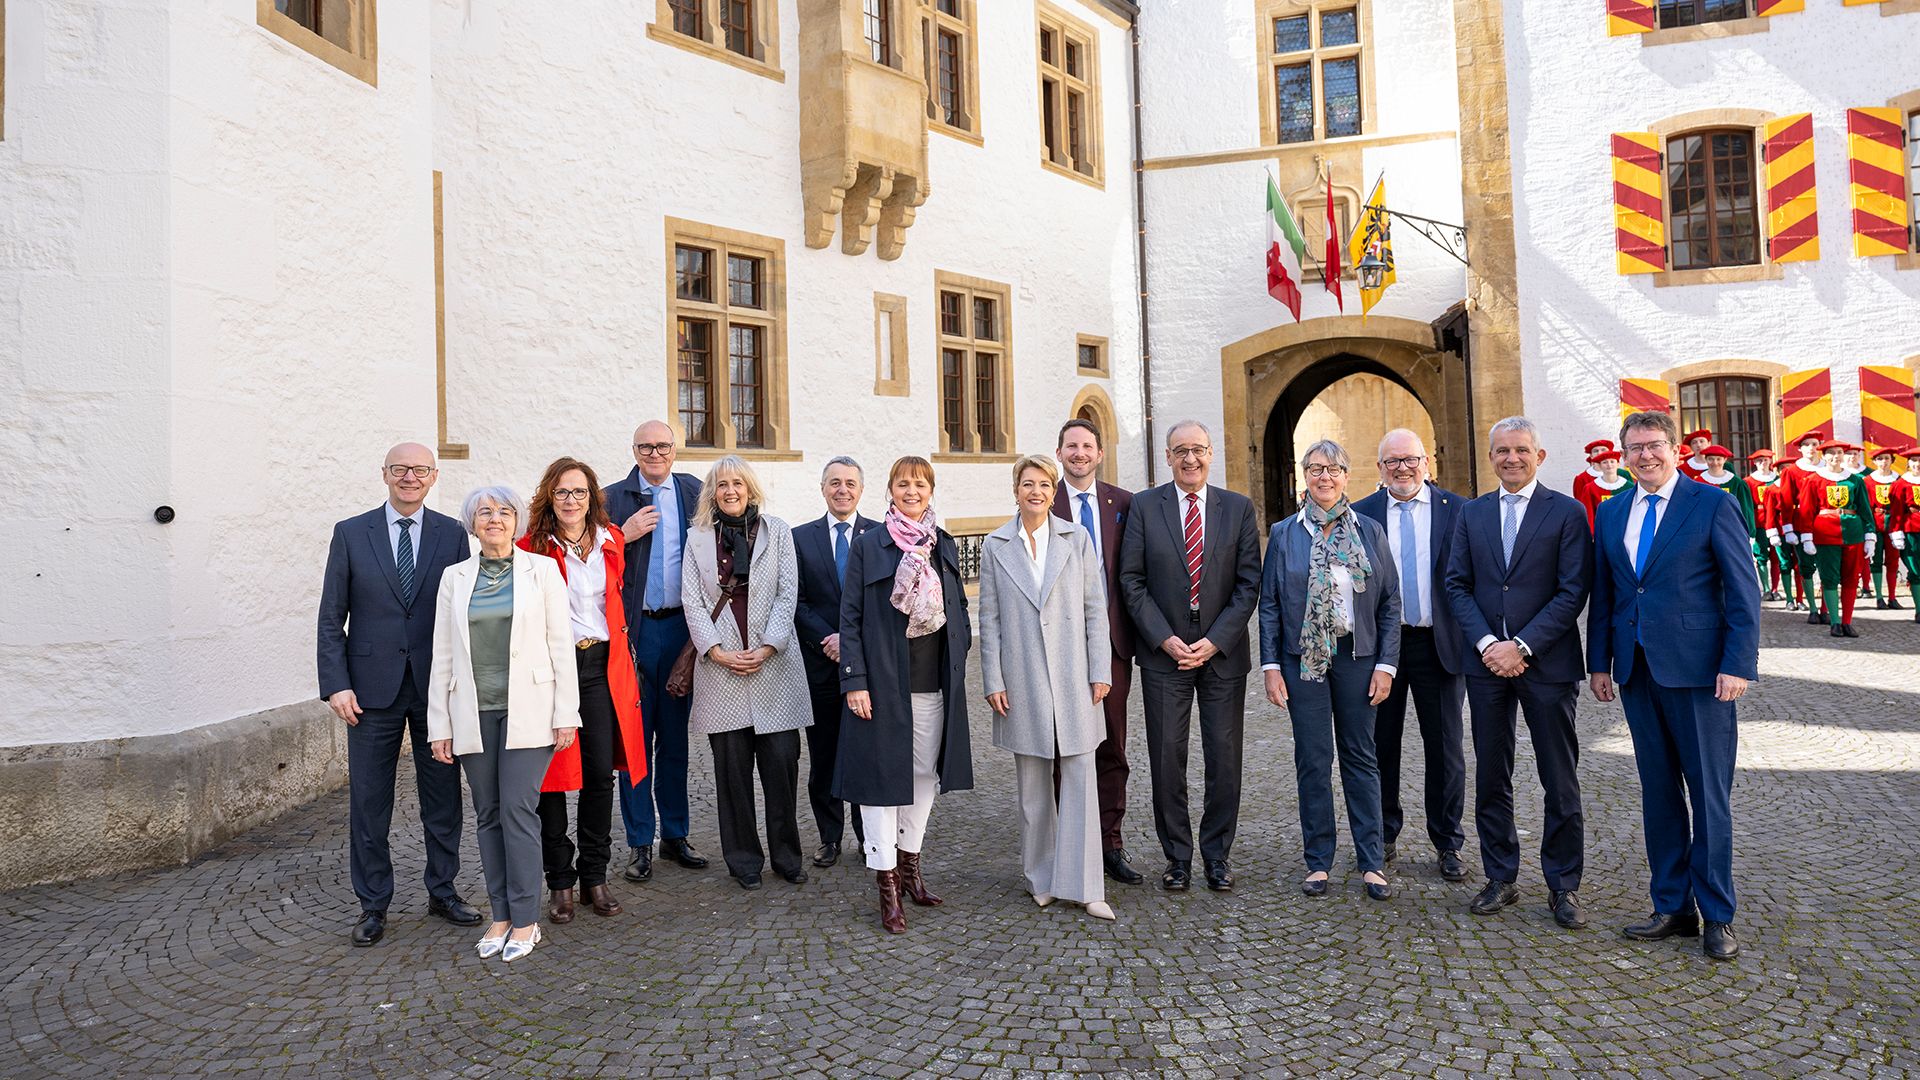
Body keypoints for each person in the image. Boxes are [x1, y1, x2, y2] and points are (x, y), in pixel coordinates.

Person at [1589, 410, 1760, 962]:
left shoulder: (1710, 503)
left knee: (1709, 796)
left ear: (1675, 448)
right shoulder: (1613, 512)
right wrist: (1599, 663)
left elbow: (1743, 590)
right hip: (1638, 670)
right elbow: (1608, 594)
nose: (1645, 456)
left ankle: (1716, 914)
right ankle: (1671, 905)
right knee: (1659, 793)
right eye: (1635, 448)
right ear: (1624, 453)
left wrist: (1738, 664)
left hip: (1701, 674)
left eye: (1655, 445)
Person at [317, 443, 481, 947]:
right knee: (369, 802)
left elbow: (460, 613)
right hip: (370, 692)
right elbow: (330, 617)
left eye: (420, 470)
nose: (409, 478)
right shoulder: (351, 533)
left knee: (443, 798)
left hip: (435, 689)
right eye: (400, 469)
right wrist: (336, 684)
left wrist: (462, 686)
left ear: (433, 477)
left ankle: (443, 889)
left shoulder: (452, 535)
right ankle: (372, 904)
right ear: (384, 474)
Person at [1443, 417, 1593, 929]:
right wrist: (1489, 644)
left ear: (1540, 455)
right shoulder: (1473, 514)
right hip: (1485, 666)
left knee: (1559, 775)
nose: (1512, 458)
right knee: (1492, 772)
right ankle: (1500, 874)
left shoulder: (1567, 513)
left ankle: (1563, 884)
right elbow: (1456, 584)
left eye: (1521, 450)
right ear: (1492, 457)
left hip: (1546, 663)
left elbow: (1573, 590)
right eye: (1502, 451)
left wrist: (1522, 645)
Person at [426, 486, 581, 962]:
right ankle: (500, 915)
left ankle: (527, 919)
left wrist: (565, 714)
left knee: (517, 810)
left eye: (504, 512)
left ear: (518, 522)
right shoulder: (454, 577)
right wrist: (440, 725)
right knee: (488, 813)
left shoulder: (542, 570)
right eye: (484, 512)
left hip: (530, 709)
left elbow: (561, 645)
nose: (494, 519)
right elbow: (444, 653)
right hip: (472, 710)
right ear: (472, 523)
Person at [1118, 420, 1262, 894]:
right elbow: (1131, 580)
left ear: (1211, 453)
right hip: (1165, 657)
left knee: (1223, 760)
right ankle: (1177, 857)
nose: (1190, 459)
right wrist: (1163, 638)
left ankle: (1217, 856)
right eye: (1180, 451)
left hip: (1221, 655)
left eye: (1198, 450)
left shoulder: (1238, 508)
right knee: (1166, 758)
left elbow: (1247, 585)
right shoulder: (1144, 507)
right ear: (1167, 457)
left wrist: (1216, 640)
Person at [835, 457, 973, 934]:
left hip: (933, 682)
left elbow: (958, 606)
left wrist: (964, 643)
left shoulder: (943, 544)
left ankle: (912, 868)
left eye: (919, 483)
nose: (911, 490)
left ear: (930, 490)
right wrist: (854, 681)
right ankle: (887, 885)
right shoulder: (870, 545)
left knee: (920, 776)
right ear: (889, 489)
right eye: (902, 483)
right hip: (881, 686)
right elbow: (849, 617)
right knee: (880, 782)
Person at [1260, 440, 1400, 901]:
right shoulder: (1285, 533)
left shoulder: (1369, 530)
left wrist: (1386, 664)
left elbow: (1388, 603)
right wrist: (1271, 666)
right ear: (1304, 475)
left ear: (1347, 476)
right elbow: (1271, 606)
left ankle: (1371, 861)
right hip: (1305, 661)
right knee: (1314, 760)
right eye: (1315, 469)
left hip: (1357, 658)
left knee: (1361, 758)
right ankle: (1317, 861)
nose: (1324, 477)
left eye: (1333, 469)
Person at [981, 455, 1115, 920]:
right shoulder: (996, 544)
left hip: (1075, 674)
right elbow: (990, 619)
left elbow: (1095, 610)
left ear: (1054, 491)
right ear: (1015, 490)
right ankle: (1041, 877)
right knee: (1034, 785)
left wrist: (1101, 670)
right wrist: (992, 679)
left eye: (1043, 484)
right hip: (1021, 678)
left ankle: (1085, 885)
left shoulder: (1077, 540)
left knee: (1080, 777)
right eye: (1026, 483)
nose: (1035, 491)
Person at [518, 458, 649, 924]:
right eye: (561, 493)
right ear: (548, 499)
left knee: (598, 774)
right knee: (551, 780)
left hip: (600, 667)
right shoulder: (528, 548)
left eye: (579, 492)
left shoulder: (611, 539)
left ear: (592, 497)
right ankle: (560, 881)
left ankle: (595, 874)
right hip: (552, 672)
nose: (571, 501)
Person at [681, 456, 814, 889]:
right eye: (722, 485)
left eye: (738, 483)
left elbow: (786, 593)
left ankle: (787, 857)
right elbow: (692, 601)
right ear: (712, 493)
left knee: (781, 768)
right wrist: (716, 651)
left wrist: (770, 644)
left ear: (750, 488)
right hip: (722, 675)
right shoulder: (698, 538)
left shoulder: (777, 531)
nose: (731, 491)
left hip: (773, 668)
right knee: (732, 777)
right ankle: (743, 862)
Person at [1353, 429, 1469, 882]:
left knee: (1445, 747)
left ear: (1428, 462)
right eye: (1392, 461)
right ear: (1380, 468)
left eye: (1410, 460)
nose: (1402, 468)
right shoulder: (1360, 514)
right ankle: (1381, 836)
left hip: (1437, 644)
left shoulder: (1457, 510)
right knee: (1379, 745)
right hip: (1381, 646)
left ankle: (1448, 841)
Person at [603, 420, 709, 881]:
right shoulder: (611, 498)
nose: (654, 453)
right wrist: (620, 537)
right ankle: (639, 841)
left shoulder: (695, 492)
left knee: (674, 740)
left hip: (683, 631)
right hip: (636, 631)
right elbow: (586, 556)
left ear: (674, 449)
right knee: (634, 744)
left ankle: (676, 835)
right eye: (645, 446)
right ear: (634, 449)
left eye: (663, 445)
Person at [1051, 418, 1141, 885]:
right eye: (1071, 446)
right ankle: (1067, 840)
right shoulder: (1045, 500)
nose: (1080, 453)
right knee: (1062, 743)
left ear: (1099, 453)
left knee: (1111, 743)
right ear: (1060, 452)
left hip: (1112, 644)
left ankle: (1110, 841)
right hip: (1057, 646)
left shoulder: (1123, 503)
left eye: (1087, 445)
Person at [792, 457, 875, 866]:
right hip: (820, 665)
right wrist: (829, 638)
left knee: (862, 753)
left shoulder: (879, 535)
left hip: (866, 667)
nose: (843, 490)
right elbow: (796, 600)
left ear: (861, 489)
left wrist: (851, 639)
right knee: (823, 755)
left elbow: (884, 603)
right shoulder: (800, 538)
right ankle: (829, 837)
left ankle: (868, 837)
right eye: (835, 483)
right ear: (823, 488)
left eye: (850, 483)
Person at [1796, 440, 1875, 638]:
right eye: (1831, 453)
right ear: (1824, 456)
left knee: (1850, 578)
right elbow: (1806, 511)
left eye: (1839, 452)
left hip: (1853, 533)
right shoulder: (1814, 480)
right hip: (1825, 533)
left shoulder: (1855, 480)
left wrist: (1870, 535)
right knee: (1829, 578)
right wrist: (1807, 537)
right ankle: (1835, 622)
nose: (1835, 456)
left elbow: (1865, 509)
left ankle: (1847, 622)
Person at [1693, 445, 1760, 592]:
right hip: (1705, 532)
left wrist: (1750, 535)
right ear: (1706, 460)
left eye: (1718, 459)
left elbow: (1746, 510)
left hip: (1730, 532)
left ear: (1724, 460)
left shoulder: (1736, 483)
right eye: (1710, 459)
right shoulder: (1698, 482)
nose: (1714, 462)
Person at [1777, 434, 1827, 623]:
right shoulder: (1791, 472)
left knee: (1827, 566)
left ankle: (1825, 607)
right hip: (1800, 523)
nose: (1811, 448)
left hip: (1825, 522)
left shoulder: (1827, 469)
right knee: (1805, 566)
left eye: (1814, 444)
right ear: (1800, 449)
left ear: (1819, 446)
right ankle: (1813, 608)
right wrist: (1788, 528)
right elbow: (1786, 501)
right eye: (1806, 445)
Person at [1864, 448, 1904, 610]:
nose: (1883, 462)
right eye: (1879, 459)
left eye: (1886, 458)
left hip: (1894, 524)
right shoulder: (1868, 481)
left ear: (1892, 460)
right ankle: (1879, 597)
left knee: (1893, 561)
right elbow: (1865, 506)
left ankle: (1892, 597)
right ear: (1874, 462)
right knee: (1876, 561)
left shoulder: (1899, 480)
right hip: (1876, 523)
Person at [1746, 449, 1786, 601]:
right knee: (1761, 555)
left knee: (1777, 556)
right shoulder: (1749, 482)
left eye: (1765, 460)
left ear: (1770, 462)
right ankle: (1766, 589)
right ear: (1755, 463)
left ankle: (1776, 588)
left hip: (1775, 521)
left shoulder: (1776, 479)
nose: (1763, 463)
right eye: (1759, 461)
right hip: (1758, 522)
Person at [1574, 445, 1630, 530]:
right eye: (1605, 462)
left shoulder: (1629, 485)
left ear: (1618, 464)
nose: (1609, 465)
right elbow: (1587, 511)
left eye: (1612, 461)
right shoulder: (1589, 486)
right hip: (1601, 528)